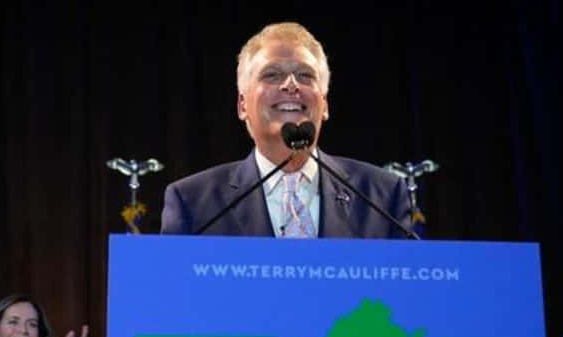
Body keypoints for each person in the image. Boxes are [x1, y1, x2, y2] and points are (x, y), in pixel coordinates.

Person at [161, 21, 411, 238]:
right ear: (242, 105)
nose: (291, 85)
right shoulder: (193, 203)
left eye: (305, 75)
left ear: (324, 104)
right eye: (272, 75)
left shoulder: (382, 197)